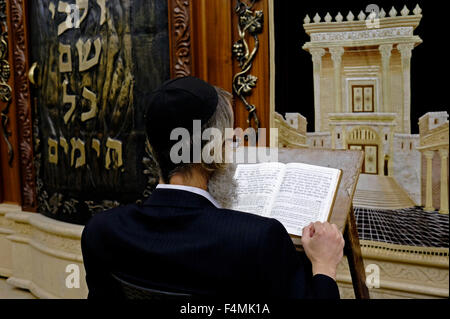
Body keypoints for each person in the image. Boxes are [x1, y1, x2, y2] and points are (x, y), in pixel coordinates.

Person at [81, 76, 345, 299]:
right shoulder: (260, 240)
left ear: (152, 147)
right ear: (213, 150)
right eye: (229, 140)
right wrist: (323, 266)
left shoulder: (102, 231)